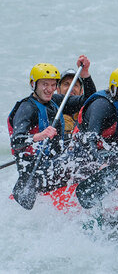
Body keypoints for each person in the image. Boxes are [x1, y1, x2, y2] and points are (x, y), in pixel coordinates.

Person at [8, 55, 96, 193]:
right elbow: (16, 141)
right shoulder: (26, 108)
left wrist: (85, 75)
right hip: (36, 173)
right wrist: (39, 136)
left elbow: (89, 101)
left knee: (87, 150)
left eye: (53, 84)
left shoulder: (55, 101)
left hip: (54, 164)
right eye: (45, 84)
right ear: (33, 84)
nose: (50, 89)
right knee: (86, 159)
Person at [71, 66, 118, 171]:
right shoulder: (101, 106)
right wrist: (100, 164)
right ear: (116, 88)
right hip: (85, 156)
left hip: (109, 152)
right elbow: (89, 140)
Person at [57, 68, 84, 142]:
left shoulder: (86, 112)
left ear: (81, 91)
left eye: (75, 85)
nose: (71, 88)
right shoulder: (51, 109)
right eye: (66, 84)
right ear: (58, 90)